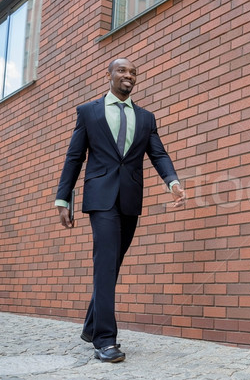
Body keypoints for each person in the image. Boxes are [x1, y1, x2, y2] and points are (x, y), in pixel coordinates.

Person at [55, 58, 186, 363]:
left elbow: (159, 153)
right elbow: (74, 157)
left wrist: (173, 182)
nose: (128, 76)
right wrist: (64, 199)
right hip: (100, 199)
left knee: (112, 264)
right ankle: (104, 339)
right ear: (110, 75)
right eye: (123, 71)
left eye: (133, 72)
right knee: (105, 264)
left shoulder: (145, 118)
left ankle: (90, 326)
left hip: (129, 199)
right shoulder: (89, 112)